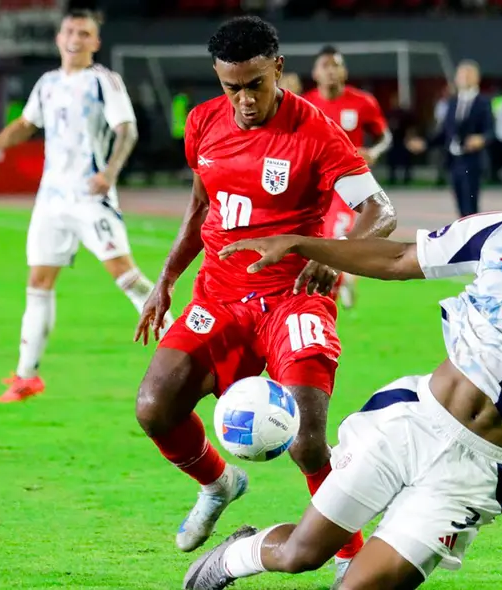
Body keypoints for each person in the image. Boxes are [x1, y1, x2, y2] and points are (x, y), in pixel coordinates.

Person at [184, 165, 502, 590]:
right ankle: (230, 558)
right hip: (410, 422)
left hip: (473, 469)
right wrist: (301, 243)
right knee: (300, 554)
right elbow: (398, 260)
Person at [132, 16, 397, 589]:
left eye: (256, 84)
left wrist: (338, 251)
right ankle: (218, 484)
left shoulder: (318, 132)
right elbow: (202, 204)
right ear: (217, 78)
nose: (245, 100)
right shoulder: (203, 122)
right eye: (232, 87)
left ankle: (350, 557)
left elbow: (380, 210)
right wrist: (166, 279)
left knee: (306, 441)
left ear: (278, 68)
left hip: (293, 298)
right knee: (155, 406)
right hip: (220, 294)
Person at [0, 9, 172, 403]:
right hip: (51, 200)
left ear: (95, 42)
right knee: (38, 282)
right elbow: (26, 124)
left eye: (84, 33)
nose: (75, 38)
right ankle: (27, 375)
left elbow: (126, 129)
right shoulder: (48, 83)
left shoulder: (103, 81)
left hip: (90, 197)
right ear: (58, 37)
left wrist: (110, 173)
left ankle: (187, 345)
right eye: (70, 30)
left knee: (126, 276)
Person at [303, 45, 393, 310]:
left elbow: (385, 136)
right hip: (315, 184)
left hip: (348, 182)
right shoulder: (305, 104)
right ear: (315, 73)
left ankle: (333, 285)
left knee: (338, 234)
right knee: (318, 237)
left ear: (344, 71)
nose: (331, 71)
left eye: (336, 65)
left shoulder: (363, 102)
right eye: (325, 66)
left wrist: (374, 152)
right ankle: (343, 279)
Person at [408, 60, 494, 218]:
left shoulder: (484, 102)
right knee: (460, 203)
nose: (464, 78)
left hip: (472, 160)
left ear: (477, 78)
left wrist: (481, 139)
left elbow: (490, 131)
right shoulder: (452, 102)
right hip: (454, 161)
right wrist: (425, 143)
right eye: (461, 75)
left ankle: (473, 238)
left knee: (470, 205)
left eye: (468, 75)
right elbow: (445, 133)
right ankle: (463, 237)